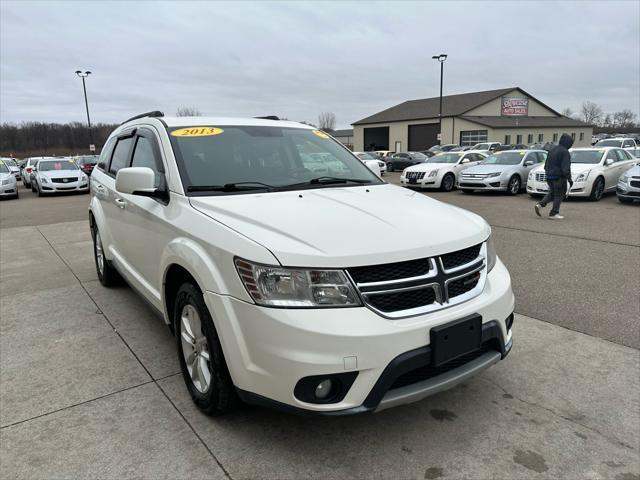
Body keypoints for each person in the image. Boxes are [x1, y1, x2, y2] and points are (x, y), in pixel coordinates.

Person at [535, 133, 574, 219]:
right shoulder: (565, 152)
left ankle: (540, 205)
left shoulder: (552, 150)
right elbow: (565, 168)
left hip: (549, 176)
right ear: (568, 143)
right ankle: (554, 213)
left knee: (552, 193)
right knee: (559, 195)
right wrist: (570, 179)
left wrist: (548, 173)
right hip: (559, 177)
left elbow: (546, 164)